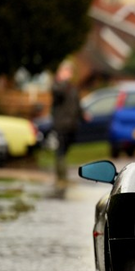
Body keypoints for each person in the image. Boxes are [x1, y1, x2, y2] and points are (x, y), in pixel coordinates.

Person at [50, 61, 83, 196]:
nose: (68, 74)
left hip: (72, 125)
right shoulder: (58, 86)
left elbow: (77, 104)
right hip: (61, 124)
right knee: (61, 150)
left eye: (69, 71)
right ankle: (61, 178)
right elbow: (58, 93)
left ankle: (63, 177)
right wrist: (62, 80)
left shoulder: (72, 87)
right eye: (66, 71)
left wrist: (83, 115)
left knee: (66, 149)